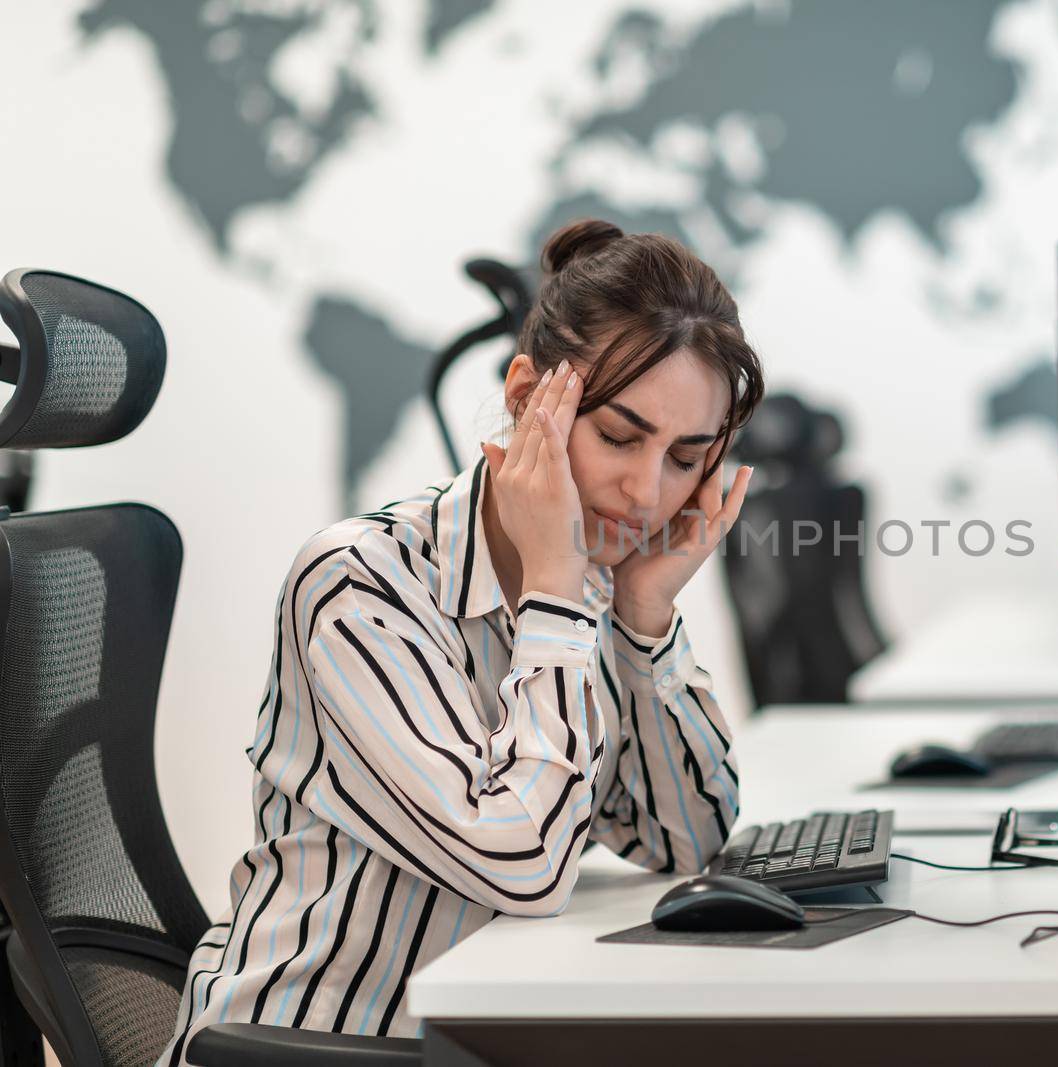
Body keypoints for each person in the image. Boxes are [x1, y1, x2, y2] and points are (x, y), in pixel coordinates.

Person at [160, 219, 765, 1063]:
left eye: (685, 458)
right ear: (526, 400)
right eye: (620, 437)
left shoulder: (594, 587)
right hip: (313, 1050)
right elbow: (523, 862)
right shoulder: (360, 584)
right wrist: (557, 595)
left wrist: (643, 614)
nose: (646, 491)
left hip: (462, 1041)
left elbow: (686, 839)